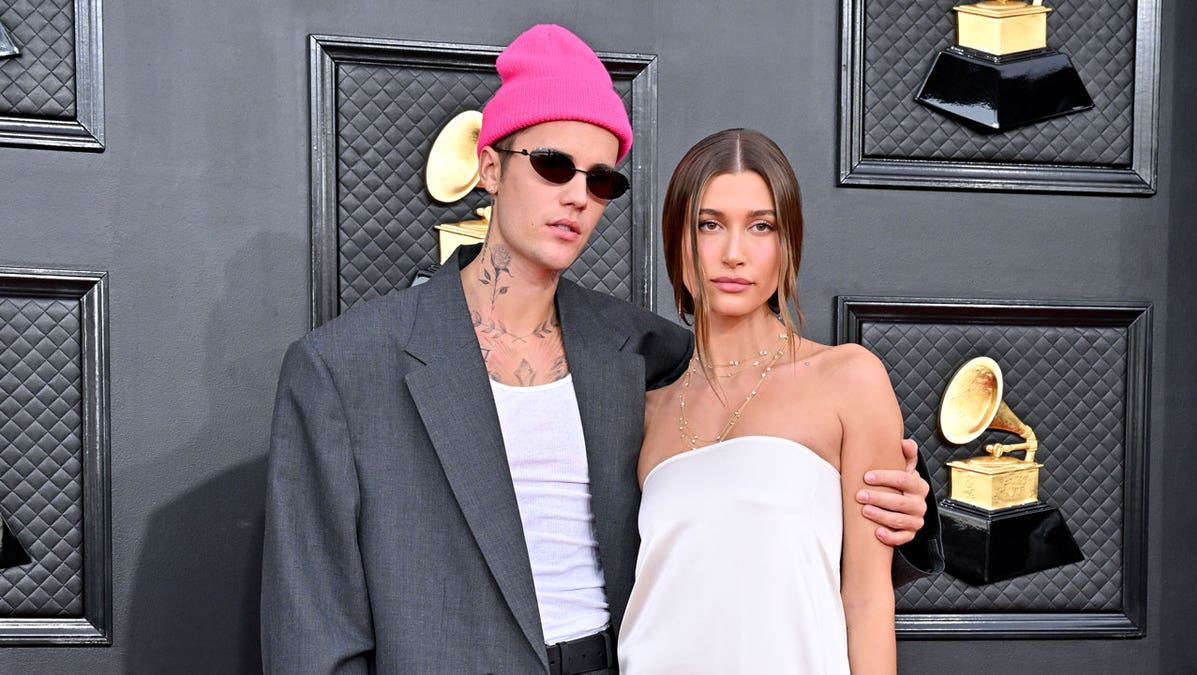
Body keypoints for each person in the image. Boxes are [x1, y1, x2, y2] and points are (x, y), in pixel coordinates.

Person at [261, 26, 939, 674]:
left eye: (600, 180)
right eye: (554, 165)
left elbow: (759, 495)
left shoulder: (645, 353)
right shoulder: (347, 367)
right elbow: (312, 634)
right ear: (489, 166)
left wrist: (908, 506)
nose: (576, 196)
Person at [617, 128, 912, 673]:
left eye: (760, 226)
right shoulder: (646, 409)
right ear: (676, 241)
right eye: (709, 225)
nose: (734, 253)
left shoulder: (848, 379)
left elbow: (869, 600)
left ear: (787, 244)